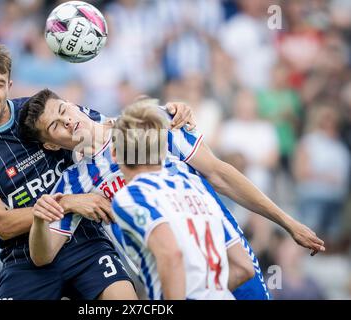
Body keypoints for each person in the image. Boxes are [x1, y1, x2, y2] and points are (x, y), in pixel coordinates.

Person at [0, 44, 195, 300]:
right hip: (24, 258)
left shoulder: (40, 112)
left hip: (86, 241)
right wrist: (70, 202)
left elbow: (105, 130)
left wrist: (167, 113)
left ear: (9, 85)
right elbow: (2, 224)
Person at [20, 90, 325, 300]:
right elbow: (42, 255)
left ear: (73, 103)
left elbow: (219, 173)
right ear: (50, 145)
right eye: (55, 126)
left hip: (228, 263)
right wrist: (57, 207)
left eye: (63, 110)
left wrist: (287, 222)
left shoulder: (153, 120)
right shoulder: (73, 183)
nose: (67, 122)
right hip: (171, 283)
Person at [109, 103, 254, 299]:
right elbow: (245, 267)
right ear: (162, 151)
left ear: (114, 153)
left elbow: (171, 255)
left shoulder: (131, 196)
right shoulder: (197, 188)